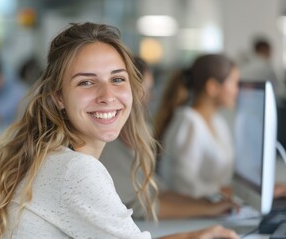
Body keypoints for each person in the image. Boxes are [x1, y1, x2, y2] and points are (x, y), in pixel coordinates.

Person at [0, 23, 238, 239]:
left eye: (118, 79)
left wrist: (192, 234)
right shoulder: (76, 171)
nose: (107, 95)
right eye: (86, 83)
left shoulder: (51, 155)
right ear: (59, 97)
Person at [100, 56, 236, 219]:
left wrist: (207, 205)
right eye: (148, 90)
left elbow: (157, 190)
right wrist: (207, 208)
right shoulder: (108, 146)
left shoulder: (136, 138)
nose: (152, 97)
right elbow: (141, 206)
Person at [154, 54, 240, 200]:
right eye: (234, 83)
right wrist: (227, 191)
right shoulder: (188, 122)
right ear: (212, 87)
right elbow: (183, 186)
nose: (237, 91)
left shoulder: (218, 121)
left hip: (213, 206)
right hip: (190, 213)